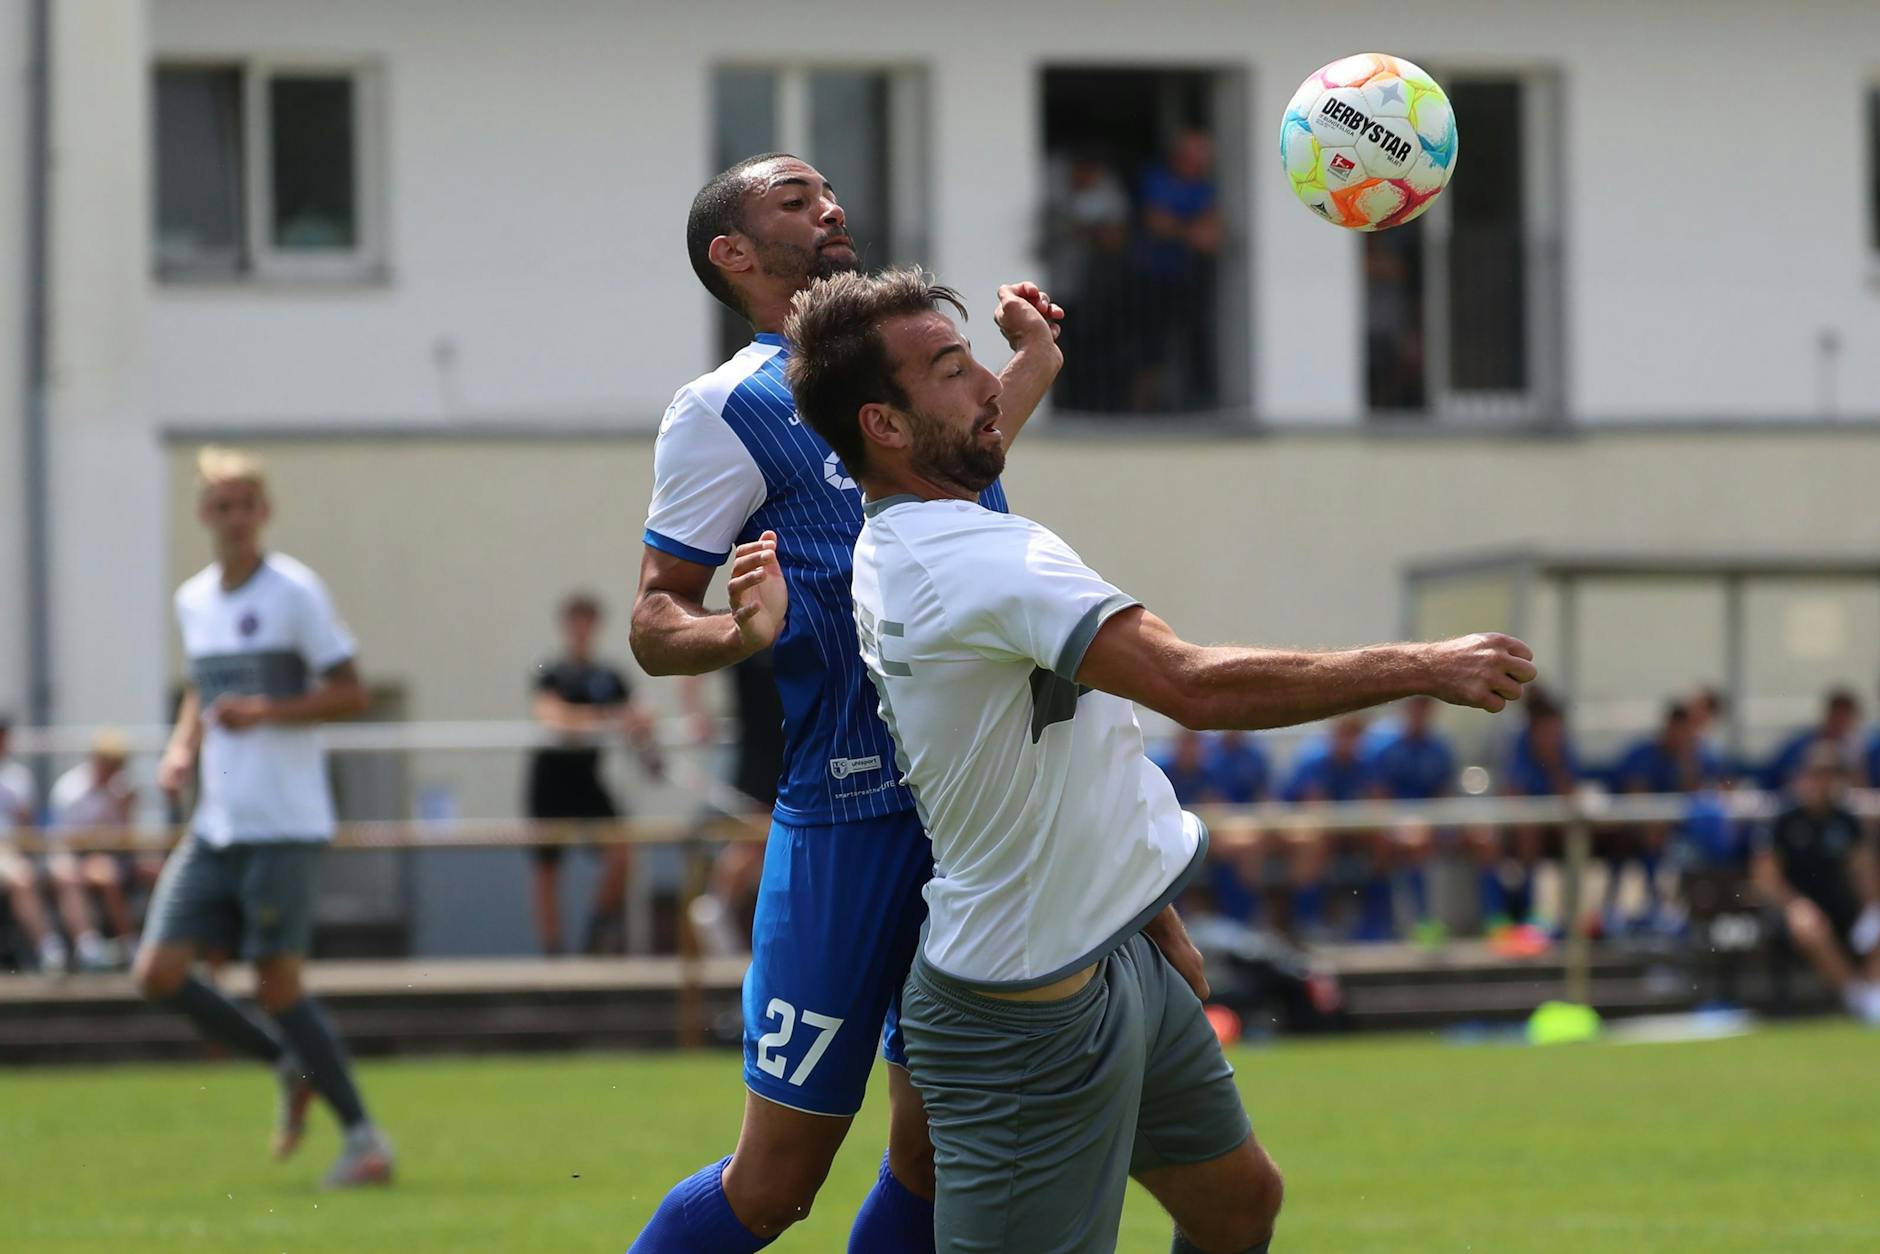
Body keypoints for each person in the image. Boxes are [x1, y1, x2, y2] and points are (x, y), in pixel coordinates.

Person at [785, 265, 1536, 1252]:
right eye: (951, 368)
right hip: (1026, 1010)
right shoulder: (975, 564)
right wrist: (1416, 664)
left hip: (1111, 948)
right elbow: (1191, 685)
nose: (984, 388)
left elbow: (966, 444)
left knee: (1234, 1209)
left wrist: (1035, 357)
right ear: (882, 425)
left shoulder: (903, 532)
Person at [625, 155, 1063, 1253]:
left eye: (828, 191)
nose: (829, 207)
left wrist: (1028, 364)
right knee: (773, 1187)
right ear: (731, 254)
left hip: (968, 818)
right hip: (845, 820)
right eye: (793, 199)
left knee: (930, 1152)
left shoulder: (914, 382)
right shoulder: (725, 408)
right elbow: (652, 616)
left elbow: (962, 457)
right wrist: (737, 632)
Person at [130, 446, 394, 1187]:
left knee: (279, 988)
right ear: (204, 515)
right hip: (217, 822)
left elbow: (351, 691)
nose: (235, 517)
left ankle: (365, 1143)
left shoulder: (294, 593)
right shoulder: (194, 600)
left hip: (283, 822)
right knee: (155, 972)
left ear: (264, 511)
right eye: (222, 505)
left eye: (247, 503)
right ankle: (289, 1064)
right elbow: (200, 691)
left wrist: (269, 711)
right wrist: (183, 750)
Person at [525, 592, 662, 956]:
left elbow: (639, 715)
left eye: (588, 622)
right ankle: (553, 953)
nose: (582, 630)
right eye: (575, 622)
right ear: (566, 626)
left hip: (588, 781)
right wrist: (607, 718)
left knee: (621, 854)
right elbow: (551, 717)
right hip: (549, 782)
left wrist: (645, 738)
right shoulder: (551, 673)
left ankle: (593, 937)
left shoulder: (609, 677)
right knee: (548, 871)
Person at [1750, 744, 1880, 1023]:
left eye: (1831, 775)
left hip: (1842, 908)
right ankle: (1859, 999)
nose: (1824, 781)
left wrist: (1872, 911)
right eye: (1818, 773)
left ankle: (1870, 991)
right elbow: (1766, 876)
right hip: (1795, 909)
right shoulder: (1784, 818)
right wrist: (1795, 905)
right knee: (1812, 925)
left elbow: (1864, 870)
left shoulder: (1845, 819)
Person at [678, 647, 785, 956]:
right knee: (758, 836)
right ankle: (716, 905)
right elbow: (692, 663)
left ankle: (720, 906)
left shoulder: (787, 627)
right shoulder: (747, 633)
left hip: (782, 748)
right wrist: (695, 714)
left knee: (765, 839)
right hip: (761, 752)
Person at [1131, 128, 1221, 411]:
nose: (1203, 161)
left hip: (1187, 277)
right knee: (1150, 349)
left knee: (1195, 343)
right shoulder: (1156, 178)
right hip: (1150, 276)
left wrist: (1178, 229)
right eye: (1198, 154)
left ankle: (1198, 406)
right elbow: (1155, 223)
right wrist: (1189, 232)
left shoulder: (1203, 187)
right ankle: (1141, 409)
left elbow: (1212, 236)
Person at [1611, 702, 1721, 929]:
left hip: (1678, 837)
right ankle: (1636, 911)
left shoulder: (1698, 757)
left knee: (1696, 847)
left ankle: (1690, 917)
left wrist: (1687, 761)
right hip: (1635, 833)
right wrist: (1655, 825)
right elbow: (1635, 797)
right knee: (1647, 840)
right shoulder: (1642, 754)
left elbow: (1701, 797)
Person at [44, 729, 142, 968]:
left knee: (156, 870)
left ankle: (153, 942)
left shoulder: (121, 790)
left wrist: (124, 809)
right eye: (109, 764)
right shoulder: (70, 789)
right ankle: (118, 944)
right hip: (76, 858)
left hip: (112, 856)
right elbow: (64, 841)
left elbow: (126, 838)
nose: (113, 771)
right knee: (101, 873)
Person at [1363, 695, 1457, 940]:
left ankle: (1497, 921)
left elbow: (1443, 797)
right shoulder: (1383, 746)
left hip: (1430, 822)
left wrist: (1433, 825)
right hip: (1391, 822)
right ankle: (1400, 923)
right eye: (1416, 705)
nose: (1420, 712)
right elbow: (1377, 799)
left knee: (1483, 838)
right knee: (1396, 842)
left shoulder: (1439, 747)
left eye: (1425, 706)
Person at [0, 715, 64, 972]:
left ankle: (49, 948)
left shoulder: (17, 778)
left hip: (11, 852)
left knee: (26, 877)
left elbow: (29, 827)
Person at [1761, 688, 1864, 793]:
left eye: (1845, 717)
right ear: (1828, 715)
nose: (1840, 722)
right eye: (1837, 716)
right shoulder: (1801, 746)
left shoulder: (1855, 750)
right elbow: (1780, 778)